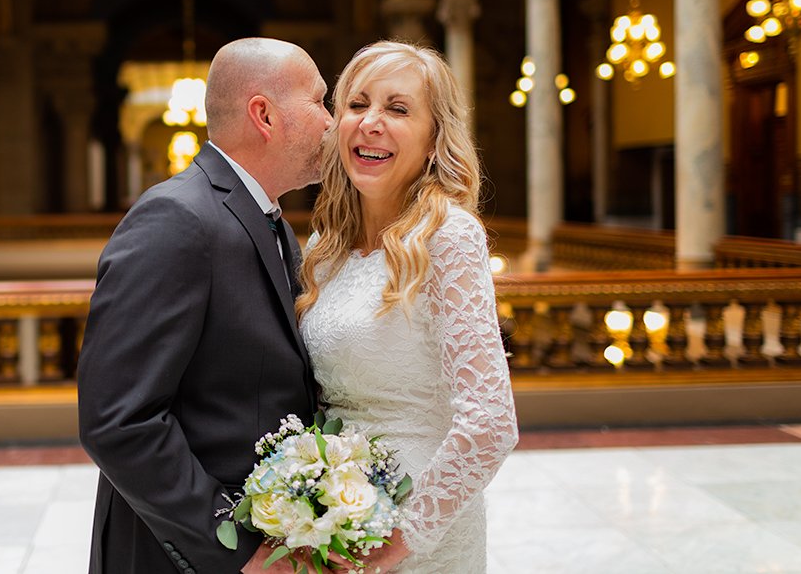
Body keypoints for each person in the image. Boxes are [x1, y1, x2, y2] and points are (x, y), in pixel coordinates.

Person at [78, 37, 332, 573]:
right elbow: (120, 420)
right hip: (177, 555)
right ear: (264, 115)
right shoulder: (176, 219)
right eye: (319, 102)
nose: (332, 123)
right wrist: (235, 547)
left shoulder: (275, 224)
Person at [297, 41, 518, 573]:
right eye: (357, 104)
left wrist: (399, 540)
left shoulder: (450, 238)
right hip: (333, 518)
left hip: (419, 529)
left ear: (433, 139)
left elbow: (490, 423)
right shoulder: (323, 248)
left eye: (397, 109)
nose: (371, 122)